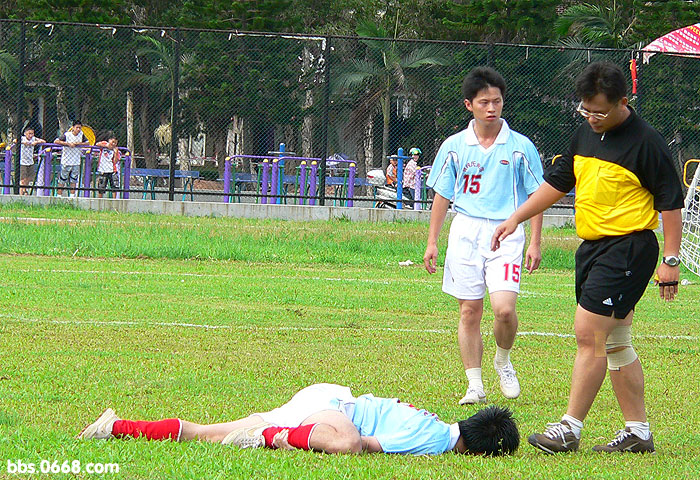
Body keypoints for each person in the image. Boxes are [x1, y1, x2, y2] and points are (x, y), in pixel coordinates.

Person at [491, 62, 683, 454]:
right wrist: (515, 218)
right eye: (586, 110)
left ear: (622, 102)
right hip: (593, 249)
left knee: (589, 334)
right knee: (615, 341)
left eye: (600, 112)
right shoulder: (584, 134)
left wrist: (671, 260)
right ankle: (638, 432)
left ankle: (569, 428)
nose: (592, 118)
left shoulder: (647, 142)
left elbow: (670, 202)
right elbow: (558, 183)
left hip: (628, 248)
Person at [423, 67, 544, 406]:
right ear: (469, 105)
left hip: (507, 231)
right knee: (469, 311)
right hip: (465, 231)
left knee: (504, 310)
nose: (492, 108)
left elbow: (537, 195)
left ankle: (503, 360)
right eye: (484, 102)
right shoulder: (454, 146)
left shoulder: (520, 147)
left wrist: (535, 242)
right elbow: (442, 195)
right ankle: (474, 384)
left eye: (497, 101)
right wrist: (432, 241)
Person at [78, 383, 519, 456]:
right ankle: (271, 436)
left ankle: (115, 426)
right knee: (350, 444)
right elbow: (365, 444)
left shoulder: (437, 426)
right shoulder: (437, 440)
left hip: (325, 400)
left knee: (207, 434)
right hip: (332, 410)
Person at [55, 120, 89, 197]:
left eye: (80, 128)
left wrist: (78, 144)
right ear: (73, 127)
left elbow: (88, 143)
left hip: (76, 161)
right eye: (77, 127)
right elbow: (56, 141)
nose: (78, 129)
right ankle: (59, 195)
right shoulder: (67, 135)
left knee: (74, 179)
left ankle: (72, 196)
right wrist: (67, 144)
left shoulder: (81, 135)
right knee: (63, 178)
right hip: (66, 161)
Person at [19, 127, 46, 195]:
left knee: (29, 178)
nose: (30, 135)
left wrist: (36, 142)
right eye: (29, 133)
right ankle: (22, 193)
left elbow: (43, 141)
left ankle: (25, 190)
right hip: (23, 162)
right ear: (25, 133)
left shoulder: (33, 139)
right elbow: (14, 141)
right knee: (23, 179)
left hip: (30, 161)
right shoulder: (22, 138)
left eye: (32, 133)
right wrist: (23, 143)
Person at [95, 135, 120, 199]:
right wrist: (107, 145)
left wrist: (115, 153)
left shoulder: (116, 150)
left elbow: (115, 161)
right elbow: (97, 144)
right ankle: (100, 201)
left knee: (114, 187)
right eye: (112, 142)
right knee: (101, 187)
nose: (113, 144)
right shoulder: (104, 144)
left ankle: (114, 201)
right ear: (109, 140)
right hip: (103, 169)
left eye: (115, 143)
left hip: (112, 170)